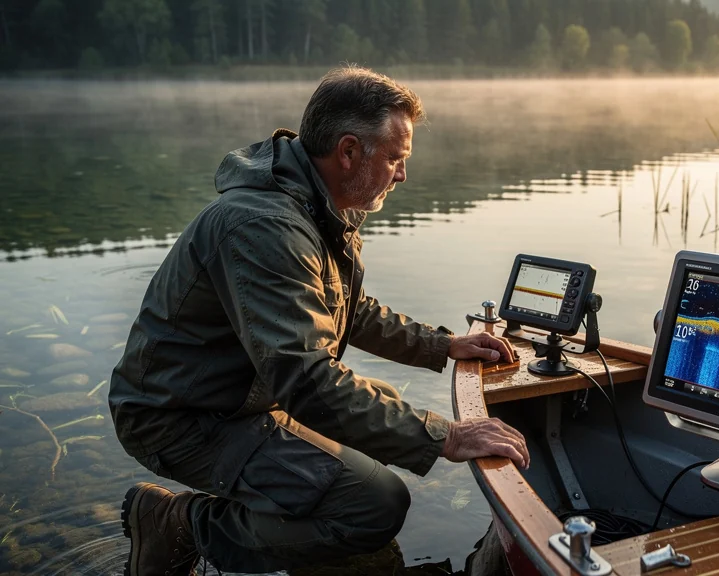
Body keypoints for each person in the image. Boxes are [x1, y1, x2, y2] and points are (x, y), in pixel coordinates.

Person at [108, 66, 530, 575]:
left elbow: (349, 308)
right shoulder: (266, 226)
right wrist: (447, 436)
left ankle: (281, 509)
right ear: (349, 151)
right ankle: (177, 522)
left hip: (238, 400)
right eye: (396, 158)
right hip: (179, 418)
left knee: (370, 425)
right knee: (375, 504)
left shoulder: (314, 204)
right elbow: (308, 380)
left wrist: (442, 347)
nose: (402, 175)